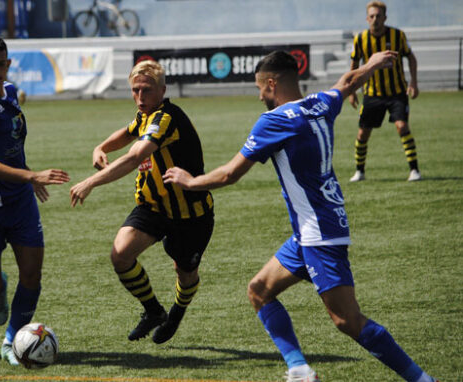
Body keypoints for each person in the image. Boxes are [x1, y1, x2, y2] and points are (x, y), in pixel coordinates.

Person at [162, 50, 438, 382]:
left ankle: (422, 380)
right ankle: (300, 370)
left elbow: (229, 174)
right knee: (259, 290)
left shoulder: (274, 120)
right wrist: (373, 64)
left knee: (348, 321)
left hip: (319, 233)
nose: (260, 97)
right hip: (312, 229)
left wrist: (190, 182)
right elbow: (347, 82)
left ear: (271, 83)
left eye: (260, 89)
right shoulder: (320, 103)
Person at [70, 60, 214, 345]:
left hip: (190, 214)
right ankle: (153, 311)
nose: (139, 97)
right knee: (120, 254)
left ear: (162, 90)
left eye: (146, 90)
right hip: (153, 207)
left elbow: (136, 156)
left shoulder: (165, 118)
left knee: (185, 274)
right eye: (135, 90)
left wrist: (90, 182)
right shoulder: (145, 115)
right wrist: (101, 147)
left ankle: (176, 312)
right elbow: (127, 132)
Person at [0, 34, 70, 365]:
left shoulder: (10, 93)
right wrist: (33, 176)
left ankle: (11, 341)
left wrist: (27, 175)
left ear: (8, 64)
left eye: (0, 64)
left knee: (32, 274)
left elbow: (11, 147)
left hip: (19, 202)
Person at [348, 1, 420, 182]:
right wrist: (351, 90)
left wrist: (414, 82)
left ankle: (414, 170)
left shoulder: (398, 36)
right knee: (363, 133)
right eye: (371, 16)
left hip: (397, 92)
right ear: (367, 18)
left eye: (378, 16)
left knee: (402, 126)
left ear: (384, 18)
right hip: (372, 94)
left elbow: (411, 58)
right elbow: (354, 64)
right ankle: (360, 171)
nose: (375, 19)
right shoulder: (360, 39)